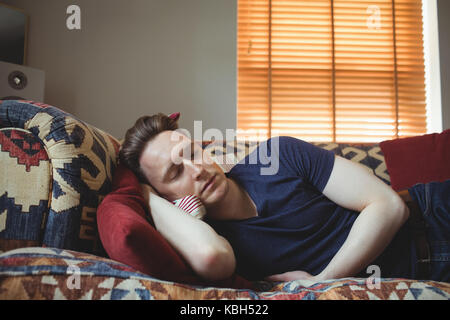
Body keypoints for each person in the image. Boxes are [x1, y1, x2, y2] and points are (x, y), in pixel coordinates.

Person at [119, 113, 450, 283]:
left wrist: (323, 281)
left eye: (192, 152)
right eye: (176, 173)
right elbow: (210, 258)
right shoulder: (215, 242)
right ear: (166, 197)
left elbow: (388, 205)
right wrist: (147, 196)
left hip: (434, 215)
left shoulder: (278, 154)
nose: (197, 170)